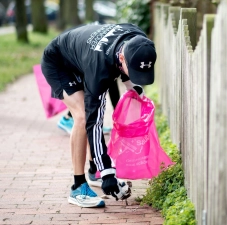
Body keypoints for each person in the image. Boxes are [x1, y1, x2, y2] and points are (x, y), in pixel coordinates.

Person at [41, 23, 157, 208]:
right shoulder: (100, 69)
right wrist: (108, 172)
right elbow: (95, 123)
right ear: (121, 58)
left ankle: (95, 170)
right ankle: (78, 187)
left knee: (88, 117)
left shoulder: (138, 41)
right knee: (83, 116)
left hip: (83, 56)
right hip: (58, 62)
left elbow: (124, 73)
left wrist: (135, 92)